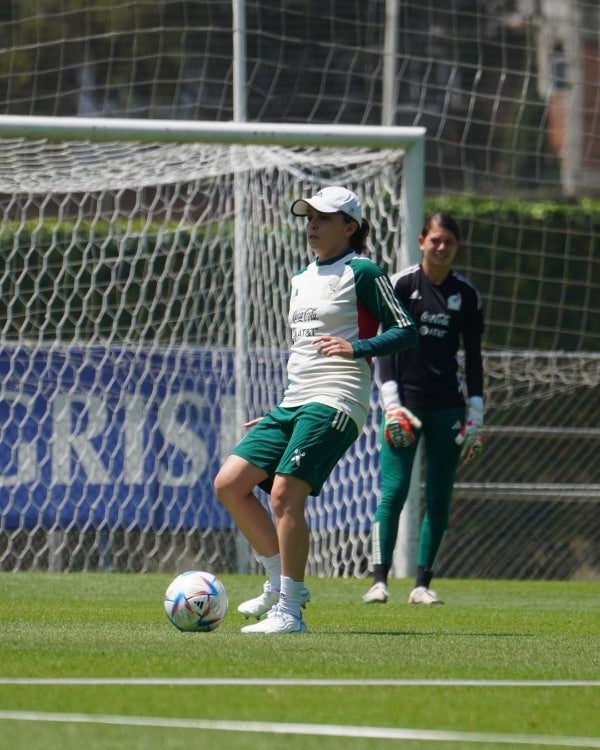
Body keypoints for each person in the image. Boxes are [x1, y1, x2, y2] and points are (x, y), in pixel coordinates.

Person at [214, 185, 418, 633]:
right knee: (230, 484)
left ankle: (290, 611)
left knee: (284, 494)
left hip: (340, 398)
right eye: (309, 217)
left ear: (350, 227)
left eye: (324, 218)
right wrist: (280, 409)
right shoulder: (301, 279)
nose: (312, 224)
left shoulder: (362, 270)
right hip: (295, 401)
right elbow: (303, 353)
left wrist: (356, 347)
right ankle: (276, 586)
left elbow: (407, 330)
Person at [363, 212, 485, 606]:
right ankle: (379, 581)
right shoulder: (402, 283)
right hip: (404, 408)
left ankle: (422, 585)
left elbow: (476, 358)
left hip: (447, 409)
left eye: (449, 241)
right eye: (435, 239)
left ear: (457, 245)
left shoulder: (466, 294)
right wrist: (391, 402)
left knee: (438, 498)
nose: (441, 247)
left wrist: (476, 412)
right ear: (421, 241)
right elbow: (384, 344)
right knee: (393, 493)